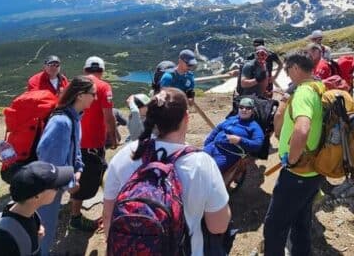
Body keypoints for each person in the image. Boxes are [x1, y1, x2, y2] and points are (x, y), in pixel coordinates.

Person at [103, 88, 231, 255]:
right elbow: (217, 226)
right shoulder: (202, 164)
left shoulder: (124, 156)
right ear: (186, 118)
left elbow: (108, 217)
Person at [265, 52, 324, 256]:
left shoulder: (303, 92)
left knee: (274, 226)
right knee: (301, 218)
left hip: (298, 172)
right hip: (315, 169)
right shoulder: (320, 86)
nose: (289, 76)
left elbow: (302, 129)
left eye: (289, 71)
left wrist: (291, 160)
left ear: (296, 68)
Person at [35, 75, 94, 256]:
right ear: (80, 95)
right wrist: (68, 182)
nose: (95, 98)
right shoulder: (62, 122)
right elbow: (47, 159)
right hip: (48, 188)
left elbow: (75, 150)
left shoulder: (74, 118)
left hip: (56, 185)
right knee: (44, 229)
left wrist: (79, 169)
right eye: (93, 94)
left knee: (48, 229)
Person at [0, 162, 74, 255]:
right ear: (37, 195)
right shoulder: (1, 242)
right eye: (56, 186)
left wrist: (34, 238)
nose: (59, 190)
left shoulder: (26, 212)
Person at [67, 57, 115, 233]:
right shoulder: (103, 87)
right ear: (101, 70)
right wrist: (113, 135)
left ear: (85, 69)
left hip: (74, 141)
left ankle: (76, 208)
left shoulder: (74, 85)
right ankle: (75, 218)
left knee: (81, 173)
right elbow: (108, 116)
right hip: (93, 143)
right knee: (88, 179)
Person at [203, 97, 264, 172]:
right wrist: (207, 143)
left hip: (227, 154)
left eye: (248, 108)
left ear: (252, 111)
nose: (244, 110)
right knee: (197, 163)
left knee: (211, 171)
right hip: (213, 146)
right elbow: (217, 129)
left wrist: (239, 140)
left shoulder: (254, 127)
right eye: (241, 107)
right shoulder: (232, 118)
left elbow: (258, 144)